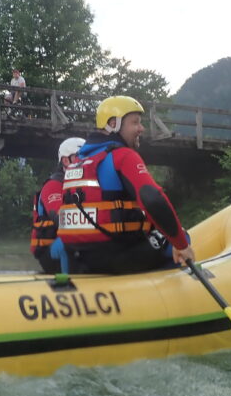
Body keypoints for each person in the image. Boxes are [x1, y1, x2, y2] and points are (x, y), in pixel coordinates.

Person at [56, 96, 195, 274]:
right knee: (182, 237)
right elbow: (153, 200)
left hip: (80, 259)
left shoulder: (79, 162)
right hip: (117, 257)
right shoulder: (123, 155)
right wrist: (181, 244)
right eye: (135, 123)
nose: (141, 128)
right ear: (113, 124)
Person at [31, 137, 85, 273]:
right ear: (65, 161)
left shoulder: (85, 184)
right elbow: (60, 219)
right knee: (69, 242)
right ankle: (67, 285)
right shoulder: (53, 185)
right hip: (50, 250)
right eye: (79, 157)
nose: (85, 161)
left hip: (78, 240)